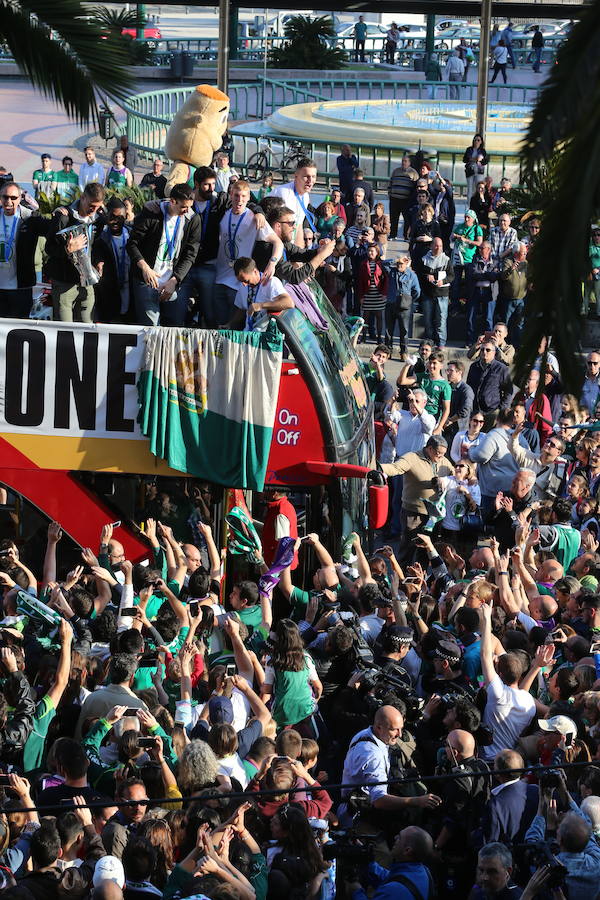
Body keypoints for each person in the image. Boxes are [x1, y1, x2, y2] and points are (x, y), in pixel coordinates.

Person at [127, 183, 201, 326]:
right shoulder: (152, 213)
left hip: (172, 281)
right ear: (172, 201)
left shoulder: (192, 219)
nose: (187, 211)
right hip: (147, 280)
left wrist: (175, 280)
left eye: (190, 207)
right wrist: (145, 268)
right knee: (151, 328)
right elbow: (132, 244)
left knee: (174, 326)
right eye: (183, 207)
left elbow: (190, 254)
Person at [214, 179, 283, 326]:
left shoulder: (253, 218)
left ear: (249, 198)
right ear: (231, 195)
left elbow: (278, 242)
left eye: (244, 196)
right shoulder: (223, 214)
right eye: (237, 195)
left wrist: (272, 264)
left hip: (238, 283)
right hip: (219, 278)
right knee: (218, 324)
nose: (240, 200)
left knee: (234, 327)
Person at [381, 434, 454, 561]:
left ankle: (423, 577)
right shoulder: (412, 458)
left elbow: (456, 474)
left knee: (428, 551)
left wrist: (470, 477)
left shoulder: (443, 461)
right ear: (429, 449)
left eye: (443, 454)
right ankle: (402, 577)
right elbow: (395, 468)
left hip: (434, 516)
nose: (441, 457)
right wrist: (377, 468)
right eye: (438, 454)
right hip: (413, 514)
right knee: (408, 549)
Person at [45, 181, 107, 323]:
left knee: (87, 328)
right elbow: (49, 248)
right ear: (83, 197)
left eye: (98, 207)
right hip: (64, 283)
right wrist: (67, 249)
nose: (94, 210)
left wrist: (99, 261)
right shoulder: (63, 216)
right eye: (91, 205)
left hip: (87, 281)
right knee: (65, 331)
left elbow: (97, 245)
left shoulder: (99, 219)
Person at [0, 179, 50, 318]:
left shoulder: (30, 218)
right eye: (5, 197)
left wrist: (62, 211)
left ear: (20, 198)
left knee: (17, 330)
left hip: (21, 287)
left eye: (13, 198)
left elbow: (52, 229)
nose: (8, 201)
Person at [348, 826, 435, 900]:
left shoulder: (394, 891)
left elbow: (394, 887)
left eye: (399, 837)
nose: (395, 837)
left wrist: (356, 891)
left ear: (407, 850)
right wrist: (365, 857)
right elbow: (390, 878)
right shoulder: (423, 871)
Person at [469, 408, 520, 514]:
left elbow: (480, 456)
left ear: (497, 419)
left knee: (489, 524)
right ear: (513, 421)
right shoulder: (520, 437)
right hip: (513, 490)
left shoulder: (494, 435)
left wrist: (471, 449)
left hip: (493, 493)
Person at [227, 256, 292, 331]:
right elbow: (242, 309)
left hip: (265, 334)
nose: (244, 284)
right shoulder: (243, 285)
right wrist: (230, 324)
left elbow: (289, 303)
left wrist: (261, 305)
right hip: (248, 333)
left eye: (247, 281)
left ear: (255, 272)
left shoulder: (271, 282)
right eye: (241, 281)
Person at [95, 197, 132, 323]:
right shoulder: (100, 238)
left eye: (120, 217)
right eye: (112, 217)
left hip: (129, 287)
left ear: (125, 216)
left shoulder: (132, 235)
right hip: (109, 291)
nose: (115, 221)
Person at [271, 157, 317, 248]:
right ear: (296, 175)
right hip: (275, 246)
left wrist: (298, 258)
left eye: (313, 176)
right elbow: (277, 228)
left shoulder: (305, 196)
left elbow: (299, 227)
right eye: (306, 176)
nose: (310, 180)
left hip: (288, 246)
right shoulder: (284, 194)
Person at [467, 340, 513, 429]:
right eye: (482, 349)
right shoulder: (474, 367)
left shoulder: (501, 368)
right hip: (476, 410)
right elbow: (468, 386)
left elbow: (508, 390)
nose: (484, 352)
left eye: (488, 350)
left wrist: (501, 409)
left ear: (494, 352)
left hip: (492, 411)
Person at [417, 236, 453, 348]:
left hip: (442, 294)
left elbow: (452, 276)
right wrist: (427, 276)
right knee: (427, 320)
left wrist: (443, 281)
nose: (438, 248)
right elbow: (419, 274)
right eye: (436, 245)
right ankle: (429, 343)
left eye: (441, 246)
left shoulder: (446, 260)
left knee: (441, 321)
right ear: (431, 246)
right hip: (428, 294)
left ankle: (441, 344)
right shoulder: (424, 259)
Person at [385, 254, 420, 358]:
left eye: (402, 263)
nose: (399, 265)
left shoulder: (411, 275)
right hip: (391, 303)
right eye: (398, 263)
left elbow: (417, 291)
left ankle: (403, 352)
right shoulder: (392, 271)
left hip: (404, 306)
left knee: (404, 330)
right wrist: (395, 259)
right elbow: (383, 263)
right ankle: (388, 351)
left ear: (406, 264)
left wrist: (409, 299)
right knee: (388, 329)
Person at [465, 241, 499, 345]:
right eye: (479, 248)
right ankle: (470, 341)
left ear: (488, 250)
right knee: (471, 317)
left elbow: (495, 276)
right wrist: (487, 275)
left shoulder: (496, 261)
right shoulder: (475, 258)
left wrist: (485, 275)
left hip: (489, 292)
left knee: (488, 318)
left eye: (482, 248)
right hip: (475, 291)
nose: (479, 250)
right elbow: (473, 274)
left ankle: (488, 342)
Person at [496, 243, 528, 347]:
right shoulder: (508, 262)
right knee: (506, 324)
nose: (525, 254)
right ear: (516, 253)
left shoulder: (526, 264)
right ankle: (505, 345)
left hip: (521, 299)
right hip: (509, 300)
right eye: (523, 252)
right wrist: (511, 269)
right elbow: (503, 277)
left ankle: (518, 346)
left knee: (520, 324)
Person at [357, 242, 388, 343]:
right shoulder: (363, 264)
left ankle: (379, 337)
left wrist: (384, 293)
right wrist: (361, 295)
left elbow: (385, 279)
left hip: (378, 294)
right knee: (365, 315)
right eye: (369, 251)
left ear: (377, 252)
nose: (370, 253)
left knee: (379, 316)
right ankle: (364, 336)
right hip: (367, 293)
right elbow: (360, 280)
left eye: (372, 251)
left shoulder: (381, 264)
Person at [445, 359, 474, 437]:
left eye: (451, 370)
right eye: (447, 370)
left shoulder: (466, 390)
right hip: (446, 428)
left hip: (459, 430)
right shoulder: (447, 387)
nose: (448, 373)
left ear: (460, 372)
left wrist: (450, 420)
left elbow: (465, 410)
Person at [463, 134, 489, 203]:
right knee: (470, 189)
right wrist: (474, 159)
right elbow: (464, 159)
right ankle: (469, 206)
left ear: (481, 142)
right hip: (470, 171)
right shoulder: (469, 149)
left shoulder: (483, 151)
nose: (476, 141)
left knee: (479, 188)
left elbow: (486, 161)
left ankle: (479, 203)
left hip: (479, 171)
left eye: (478, 140)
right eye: (475, 140)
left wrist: (480, 160)